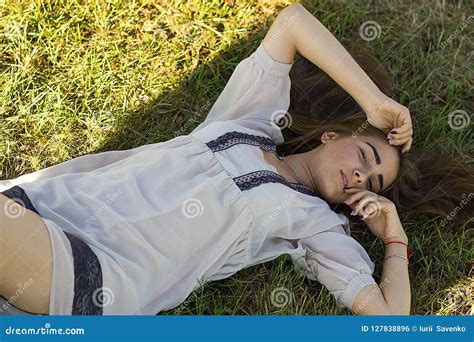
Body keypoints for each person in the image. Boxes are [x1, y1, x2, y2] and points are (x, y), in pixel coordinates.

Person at [0, 3, 471, 316]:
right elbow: (292, 21)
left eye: (372, 182)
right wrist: (373, 103)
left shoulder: (316, 226)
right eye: (366, 155)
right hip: (40, 205)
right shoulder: (248, 124)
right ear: (333, 134)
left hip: (90, 271)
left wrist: (394, 237)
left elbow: (389, 320)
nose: (360, 175)